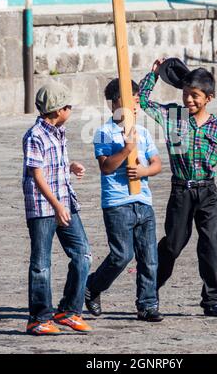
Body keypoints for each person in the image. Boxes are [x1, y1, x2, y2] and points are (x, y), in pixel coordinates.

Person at [138, 59, 217, 318]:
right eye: (185, 94)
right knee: (172, 245)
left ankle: (211, 300)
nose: (189, 100)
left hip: (208, 193)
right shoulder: (173, 116)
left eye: (195, 96)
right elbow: (143, 102)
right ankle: (148, 294)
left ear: (209, 98)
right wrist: (154, 74)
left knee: (211, 246)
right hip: (181, 192)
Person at [85, 78, 163, 322]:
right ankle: (93, 286)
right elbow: (106, 168)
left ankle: (147, 305)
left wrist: (144, 172)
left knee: (149, 258)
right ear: (115, 103)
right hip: (117, 204)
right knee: (121, 256)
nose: (136, 106)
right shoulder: (104, 132)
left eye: (138, 101)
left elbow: (157, 164)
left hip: (143, 201)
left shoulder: (143, 132)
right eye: (131, 101)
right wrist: (126, 151)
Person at [22, 81, 92, 335]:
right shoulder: (35, 136)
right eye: (68, 106)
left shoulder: (59, 133)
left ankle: (69, 310)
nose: (71, 111)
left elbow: (52, 166)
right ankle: (39, 318)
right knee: (41, 263)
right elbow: (37, 174)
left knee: (83, 254)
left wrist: (70, 166)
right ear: (58, 109)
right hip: (44, 208)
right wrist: (56, 205)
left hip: (65, 202)